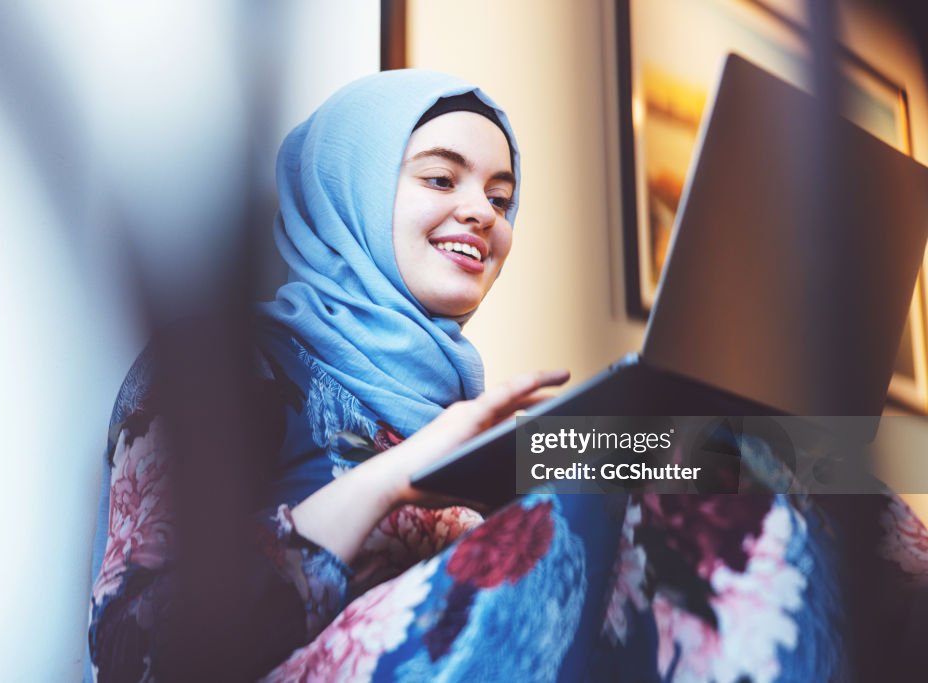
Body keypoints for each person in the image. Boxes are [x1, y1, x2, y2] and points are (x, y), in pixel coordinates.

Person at [87, 70, 928, 682]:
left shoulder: (483, 421)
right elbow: (141, 647)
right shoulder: (232, 363)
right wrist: (398, 476)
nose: (480, 213)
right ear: (348, 189)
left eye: (500, 195)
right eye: (440, 177)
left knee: (760, 460)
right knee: (638, 480)